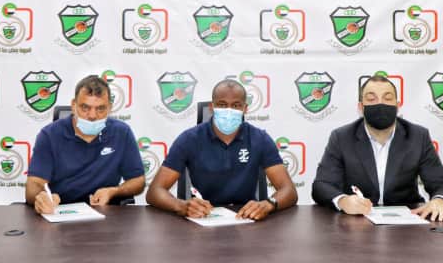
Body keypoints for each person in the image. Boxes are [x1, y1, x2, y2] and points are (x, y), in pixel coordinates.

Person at [146, 79, 297, 220]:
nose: (229, 110)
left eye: (236, 105)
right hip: (202, 218)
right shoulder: (189, 139)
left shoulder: (260, 139)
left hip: (246, 218)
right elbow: (154, 191)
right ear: (212, 107)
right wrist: (181, 206)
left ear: (245, 109)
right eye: (222, 105)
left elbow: (289, 190)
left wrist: (268, 204)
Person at [312, 75, 443, 221]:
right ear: (361, 107)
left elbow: (441, 184)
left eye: (387, 99)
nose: (380, 104)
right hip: (356, 222)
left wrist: (440, 201)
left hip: (407, 222)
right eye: (371, 99)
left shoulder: (418, 136)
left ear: (397, 105)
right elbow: (322, 185)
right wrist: (343, 201)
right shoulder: (342, 137)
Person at [26, 75, 145, 214]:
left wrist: (114, 191)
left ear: (109, 108)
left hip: (104, 213)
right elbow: (34, 184)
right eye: (85, 107)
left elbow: (138, 181)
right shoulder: (49, 135)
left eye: (100, 108)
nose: (92, 115)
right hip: (60, 211)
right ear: (73, 105)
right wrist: (42, 198)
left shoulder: (122, 132)